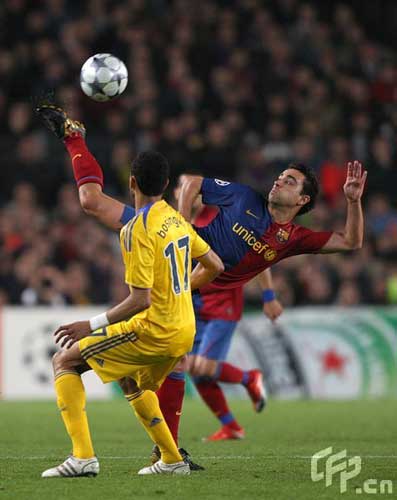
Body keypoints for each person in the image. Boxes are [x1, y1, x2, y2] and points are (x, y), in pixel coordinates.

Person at [36, 103, 366, 465]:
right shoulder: (243, 197)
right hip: (175, 250)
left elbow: (350, 241)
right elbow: (192, 182)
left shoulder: (294, 238)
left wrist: (352, 201)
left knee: (175, 368)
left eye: (290, 181)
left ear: (302, 200)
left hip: (192, 291)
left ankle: (167, 455)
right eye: (280, 175)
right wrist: (181, 224)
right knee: (91, 202)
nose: (278, 180)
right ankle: (74, 138)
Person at [37, 110, 224, 477]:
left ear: (132, 182)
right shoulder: (176, 219)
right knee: (133, 379)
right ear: (168, 183)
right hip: (181, 326)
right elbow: (215, 265)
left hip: (154, 324)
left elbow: (140, 298)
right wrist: (178, 288)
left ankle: (87, 457)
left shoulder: (134, 228)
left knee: (67, 361)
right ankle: (171, 459)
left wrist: (89, 324)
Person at [172, 176, 283, 442]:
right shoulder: (185, 226)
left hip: (224, 303)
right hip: (197, 305)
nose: (182, 194)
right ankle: (231, 426)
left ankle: (249, 378)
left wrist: (269, 295)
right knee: (193, 368)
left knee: (204, 366)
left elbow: (260, 254)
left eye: (187, 189)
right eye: (178, 190)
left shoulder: (223, 217)